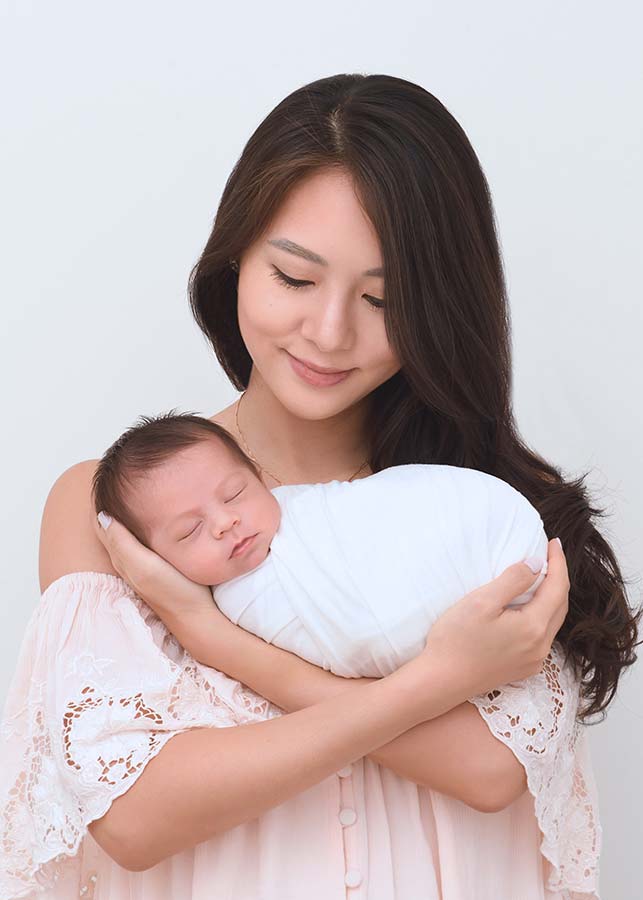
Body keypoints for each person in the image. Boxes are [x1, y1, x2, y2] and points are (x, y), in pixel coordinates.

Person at [2, 73, 638, 900]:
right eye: (295, 280)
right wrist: (434, 683)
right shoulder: (120, 511)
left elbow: (488, 774)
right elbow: (134, 817)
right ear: (233, 261)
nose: (330, 332)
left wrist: (211, 634)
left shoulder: (488, 505)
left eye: (384, 298)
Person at [89, 410, 550, 677]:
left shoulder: (315, 512)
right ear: (152, 558)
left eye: (235, 494)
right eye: (189, 531)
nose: (226, 523)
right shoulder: (237, 605)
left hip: (503, 547)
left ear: (259, 478)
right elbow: (356, 646)